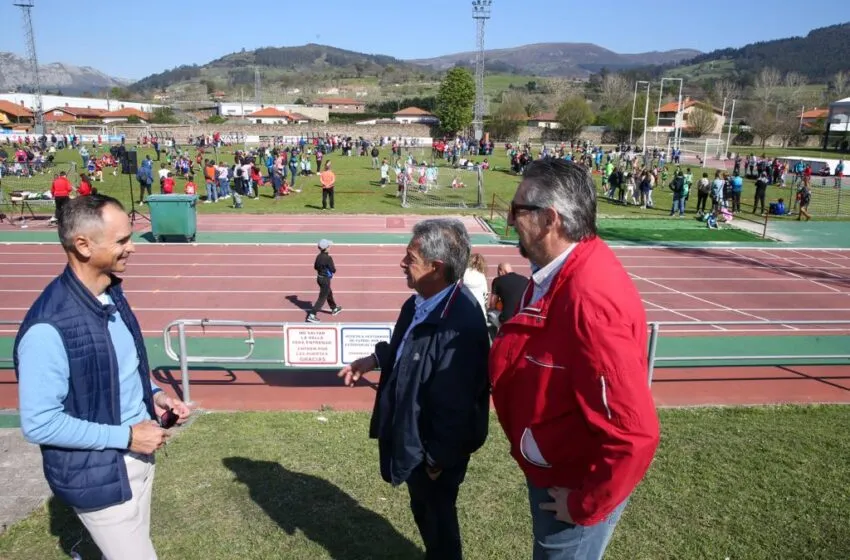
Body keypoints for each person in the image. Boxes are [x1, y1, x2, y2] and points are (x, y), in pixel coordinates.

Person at [489, 159, 660, 560]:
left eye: (517, 210)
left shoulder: (589, 298)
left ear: (550, 219)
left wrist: (585, 504)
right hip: (556, 466)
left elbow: (636, 434)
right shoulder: (557, 272)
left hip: (572, 485)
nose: (511, 220)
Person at [15, 194, 191, 560]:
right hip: (98, 472)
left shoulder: (111, 293)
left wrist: (155, 394)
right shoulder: (47, 328)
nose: (132, 248)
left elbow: (120, 371)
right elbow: (39, 424)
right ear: (83, 245)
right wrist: (127, 436)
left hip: (137, 457)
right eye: (122, 241)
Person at [338, 219, 490, 560]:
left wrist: (436, 460)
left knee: (438, 520)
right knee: (424, 512)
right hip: (415, 443)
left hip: (433, 456)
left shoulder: (461, 323)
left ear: (436, 268)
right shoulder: (419, 303)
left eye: (410, 258)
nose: (402, 264)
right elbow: (408, 348)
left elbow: (460, 404)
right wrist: (374, 358)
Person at [306, 238, 342, 322]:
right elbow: (333, 270)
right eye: (329, 246)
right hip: (325, 279)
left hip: (319, 278)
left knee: (328, 292)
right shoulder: (328, 258)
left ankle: (334, 308)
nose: (330, 247)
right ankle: (312, 315)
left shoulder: (318, 256)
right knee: (322, 298)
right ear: (326, 248)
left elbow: (315, 267)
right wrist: (328, 270)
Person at [487, 262, 528, 334]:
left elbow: (492, 305)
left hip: (507, 318)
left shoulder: (497, 280)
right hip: (523, 317)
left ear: (501, 270)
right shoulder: (525, 280)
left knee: (489, 314)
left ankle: (495, 341)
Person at [462, 252, 488, 318]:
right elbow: (485, 295)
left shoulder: (462, 274)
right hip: (479, 310)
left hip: (463, 310)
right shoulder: (481, 276)